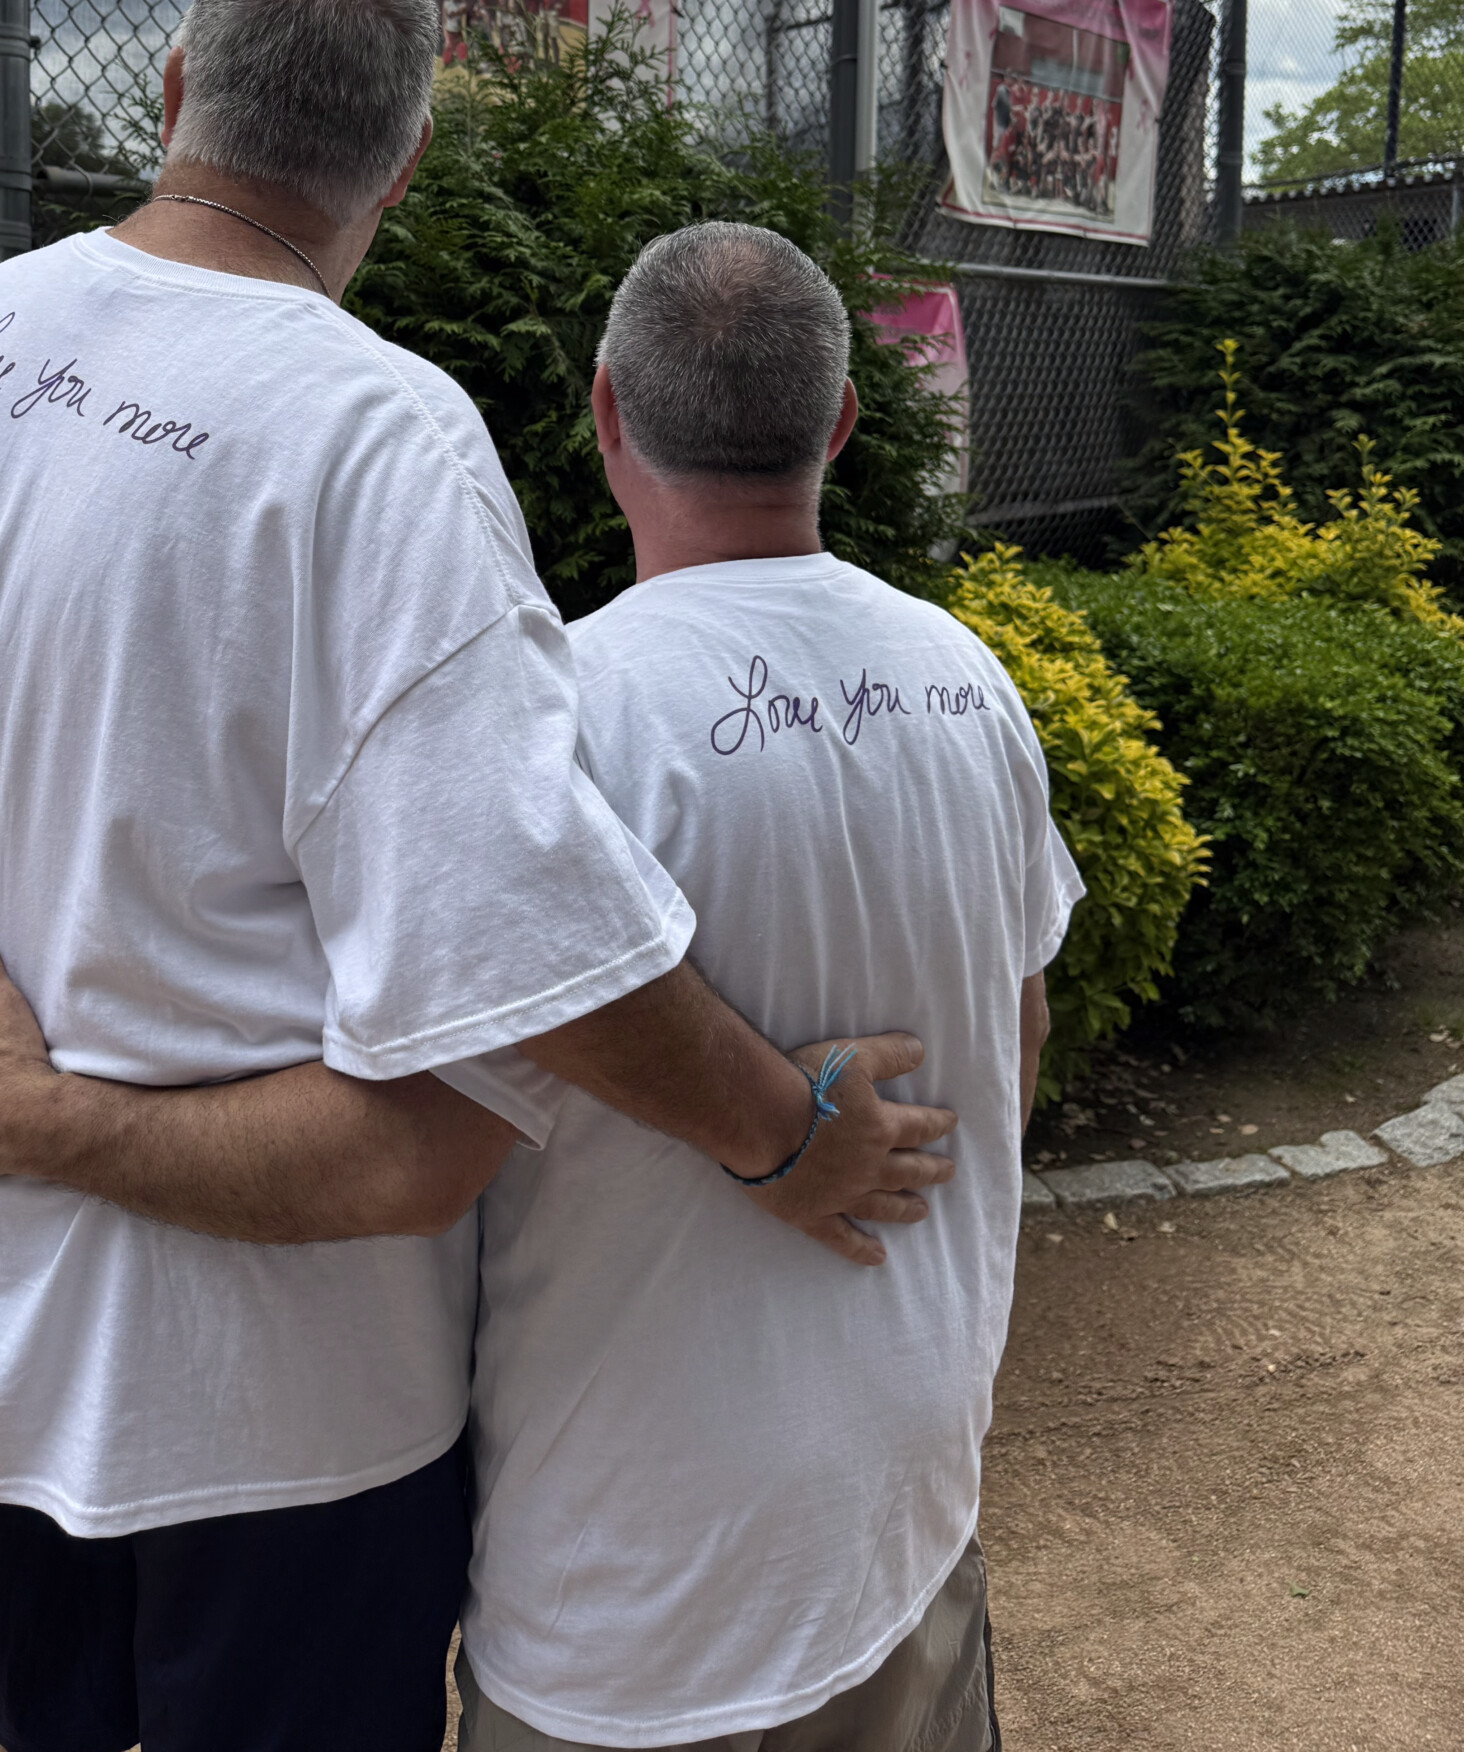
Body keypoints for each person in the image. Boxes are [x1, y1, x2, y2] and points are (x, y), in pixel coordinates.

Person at [0, 0, 955, 1752]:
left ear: (176, 89)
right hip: (271, 1418)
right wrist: (783, 1135)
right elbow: (520, 973)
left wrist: (30, 1113)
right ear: (400, 160)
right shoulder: (372, 438)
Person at [453, 224, 1079, 1752]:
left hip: (628, 1600)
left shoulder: (553, 724)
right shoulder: (969, 680)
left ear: (605, 408)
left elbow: (433, 1143)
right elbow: (1018, 1036)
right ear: (842, 422)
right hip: (903, 1525)